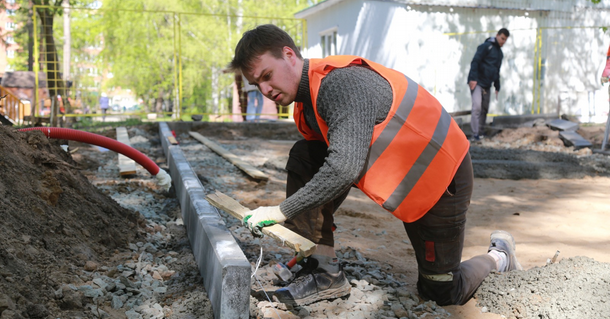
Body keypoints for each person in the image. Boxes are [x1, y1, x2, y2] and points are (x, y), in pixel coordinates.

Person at [229, 24, 522, 307]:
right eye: (257, 84)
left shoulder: (338, 86)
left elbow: (344, 169)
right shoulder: (307, 103)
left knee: (441, 291)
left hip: (442, 179)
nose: (265, 89)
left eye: (267, 75)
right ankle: (325, 271)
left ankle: (499, 257)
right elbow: (328, 173)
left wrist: (283, 211)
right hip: (408, 179)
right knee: (305, 156)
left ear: (289, 55)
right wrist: (310, 229)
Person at [467, 28, 510, 141]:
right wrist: (473, 79)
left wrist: (497, 86)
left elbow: (496, 71)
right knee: (477, 107)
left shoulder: (500, 54)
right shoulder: (486, 47)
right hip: (477, 82)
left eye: (505, 40)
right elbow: (475, 61)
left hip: (487, 84)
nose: (503, 41)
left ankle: (480, 133)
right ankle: (474, 134)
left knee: (484, 109)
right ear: (497, 35)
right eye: (502, 38)